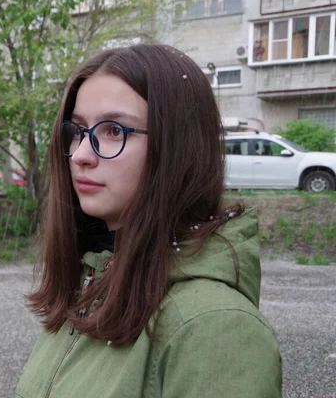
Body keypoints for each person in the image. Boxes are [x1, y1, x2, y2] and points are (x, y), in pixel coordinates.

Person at [16, 44, 282, 397]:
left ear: (178, 146)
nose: (80, 155)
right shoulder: (88, 282)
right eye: (78, 130)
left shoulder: (214, 327)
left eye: (113, 131)